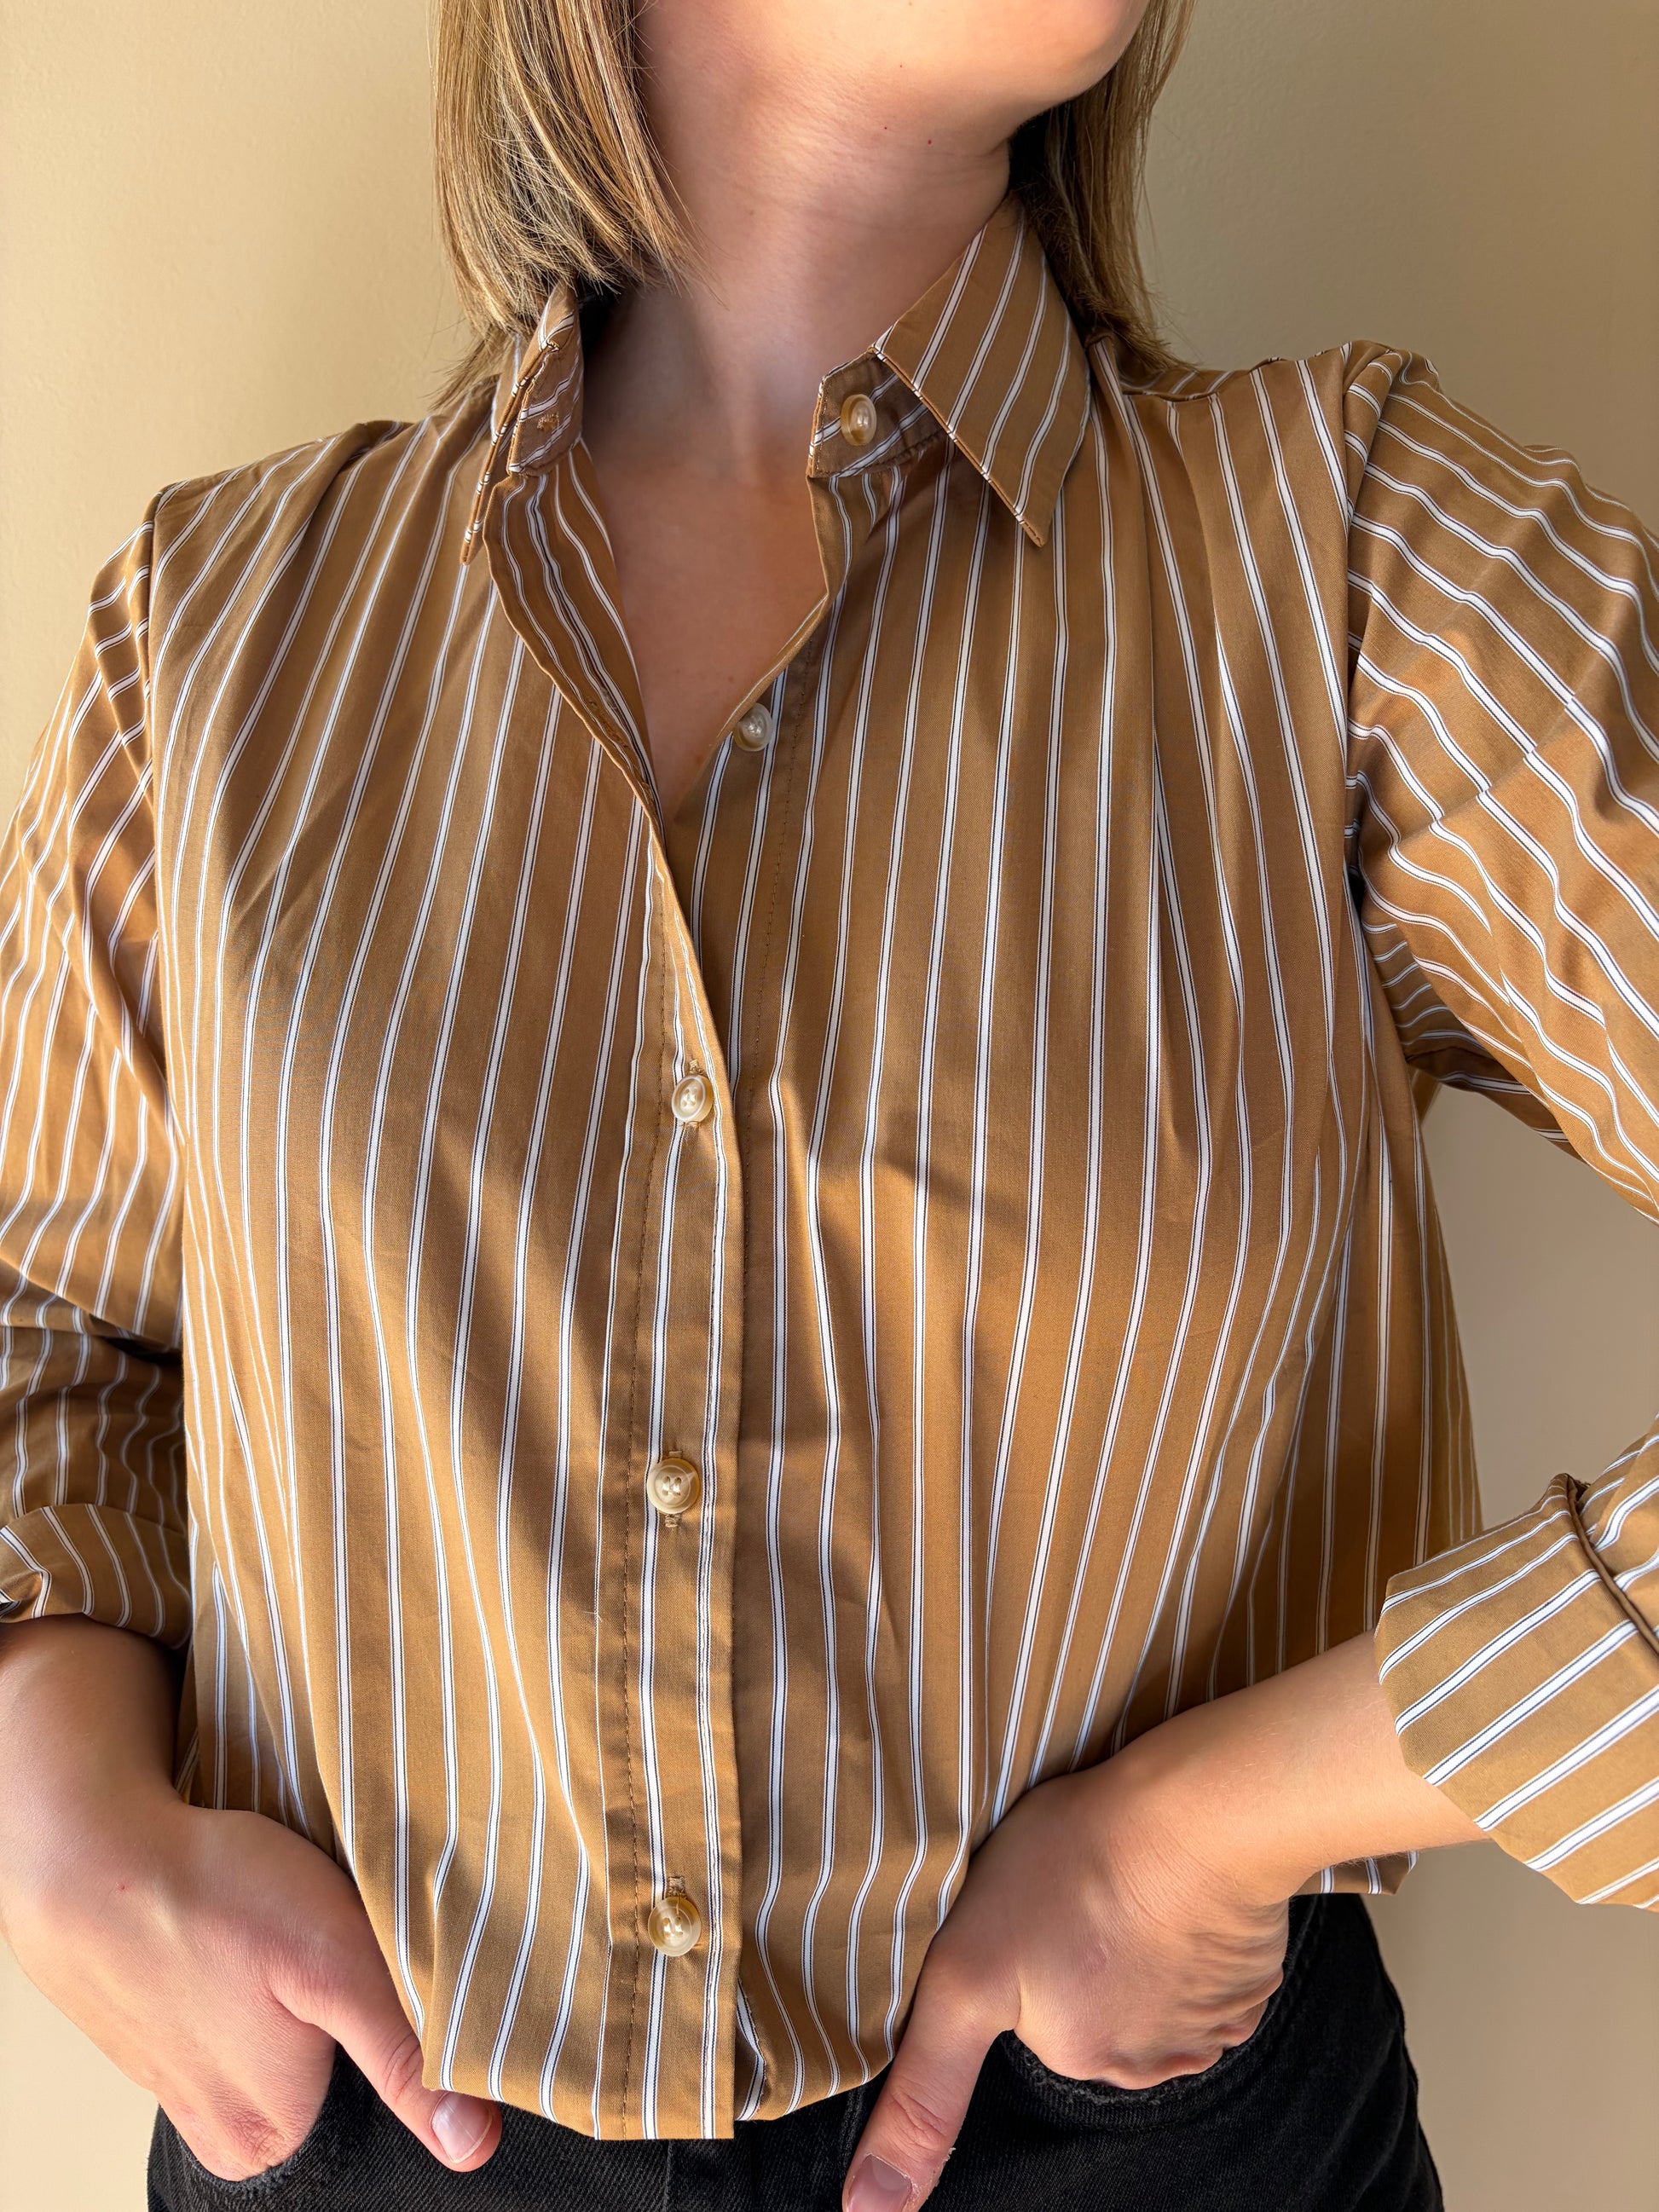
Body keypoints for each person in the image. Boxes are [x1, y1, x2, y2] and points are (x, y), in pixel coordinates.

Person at [1, 0, 1656, 2206]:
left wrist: (1212, 1821)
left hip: (1149, 2140)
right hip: (368, 2120)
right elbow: (47, 1320)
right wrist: (51, 1806)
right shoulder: (219, 641)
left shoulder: (1344, 560)